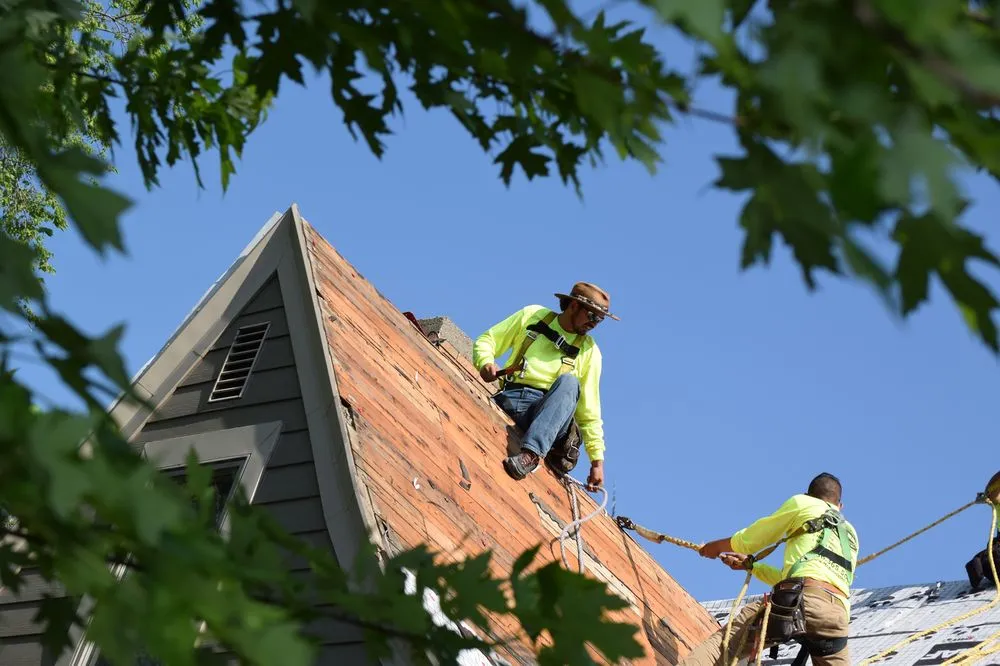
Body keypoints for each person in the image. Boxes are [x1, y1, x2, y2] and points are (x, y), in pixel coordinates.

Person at [683, 473, 859, 666]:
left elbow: (750, 541)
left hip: (803, 600)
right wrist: (753, 567)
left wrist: (715, 547)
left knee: (725, 645)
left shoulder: (803, 503)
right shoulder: (851, 535)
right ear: (839, 506)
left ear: (807, 494)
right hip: (836, 618)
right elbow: (804, 578)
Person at [472, 282, 617, 490]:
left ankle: (530, 455)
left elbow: (589, 413)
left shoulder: (589, 351)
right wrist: (485, 363)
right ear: (574, 306)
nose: (594, 324)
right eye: (592, 315)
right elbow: (488, 340)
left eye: (600, 319)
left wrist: (597, 462)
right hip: (511, 400)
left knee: (570, 383)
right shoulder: (534, 316)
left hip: (549, 416)